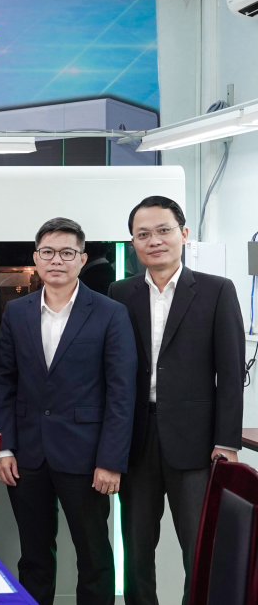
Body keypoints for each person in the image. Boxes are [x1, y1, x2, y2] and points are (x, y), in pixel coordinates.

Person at [108, 196, 245, 605]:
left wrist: (227, 441)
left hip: (197, 443)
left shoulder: (217, 290)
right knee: (135, 549)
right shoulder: (120, 293)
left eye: (163, 230)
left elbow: (231, 373)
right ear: (133, 243)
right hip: (136, 439)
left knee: (200, 548)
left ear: (183, 234)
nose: (154, 241)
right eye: (143, 234)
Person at [0, 217, 136, 605]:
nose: (56, 260)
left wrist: (111, 460)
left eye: (67, 253)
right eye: (48, 252)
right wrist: (4, 447)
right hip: (27, 456)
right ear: (35, 258)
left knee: (94, 557)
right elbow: (4, 381)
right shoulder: (17, 311)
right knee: (33, 557)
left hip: (87, 457)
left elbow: (122, 393)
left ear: (82, 259)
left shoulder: (110, 312)